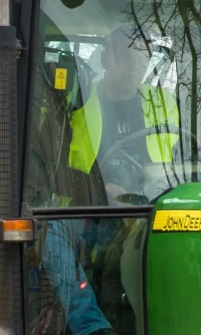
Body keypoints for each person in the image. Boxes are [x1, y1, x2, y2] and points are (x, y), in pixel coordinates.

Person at [68, 24, 181, 203]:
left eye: (144, 58)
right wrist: (97, 187)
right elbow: (51, 167)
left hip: (153, 203)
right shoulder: (78, 100)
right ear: (104, 59)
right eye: (126, 57)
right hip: (90, 205)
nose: (136, 66)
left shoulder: (165, 103)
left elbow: (189, 159)